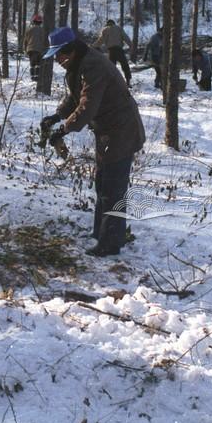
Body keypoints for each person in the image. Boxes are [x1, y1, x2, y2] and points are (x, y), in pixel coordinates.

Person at [41, 27, 146, 257]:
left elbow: (87, 107)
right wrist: (57, 116)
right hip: (107, 132)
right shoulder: (79, 63)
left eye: (59, 55)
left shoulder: (93, 65)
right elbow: (75, 96)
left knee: (113, 188)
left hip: (121, 130)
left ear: (70, 50)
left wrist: (63, 129)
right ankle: (102, 234)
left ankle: (110, 243)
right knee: (102, 183)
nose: (57, 60)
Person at [92, 19, 133, 86]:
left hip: (111, 51)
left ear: (107, 24)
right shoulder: (119, 28)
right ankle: (128, 81)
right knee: (125, 65)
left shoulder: (105, 30)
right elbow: (126, 37)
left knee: (111, 68)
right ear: (113, 23)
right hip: (119, 50)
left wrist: (92, 46)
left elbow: (100, 41)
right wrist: (131, 45)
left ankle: (111, 83)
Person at [23, 14, 47, 82]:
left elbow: (25, 40)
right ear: (41, 22)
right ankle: (37, 78)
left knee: (32, 64)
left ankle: (32, 77)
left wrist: (25, 49)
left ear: (33, 21)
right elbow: (43, 40)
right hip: (39, 49)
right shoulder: (42, 30)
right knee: (38, 64)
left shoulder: (29, 29)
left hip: (30, 49)